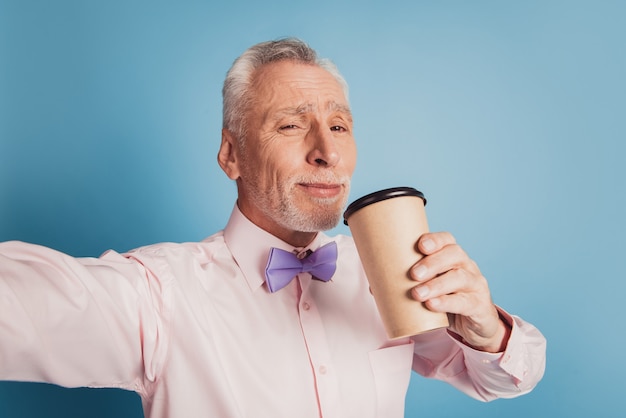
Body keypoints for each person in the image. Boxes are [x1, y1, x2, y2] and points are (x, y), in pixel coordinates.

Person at [0, 38, 546, 418]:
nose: (328, 152)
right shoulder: (158, 295)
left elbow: (502, 378)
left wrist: (486, 331)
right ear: (231, 154)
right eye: (291, 125)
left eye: (339, 125)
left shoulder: (388, 271)